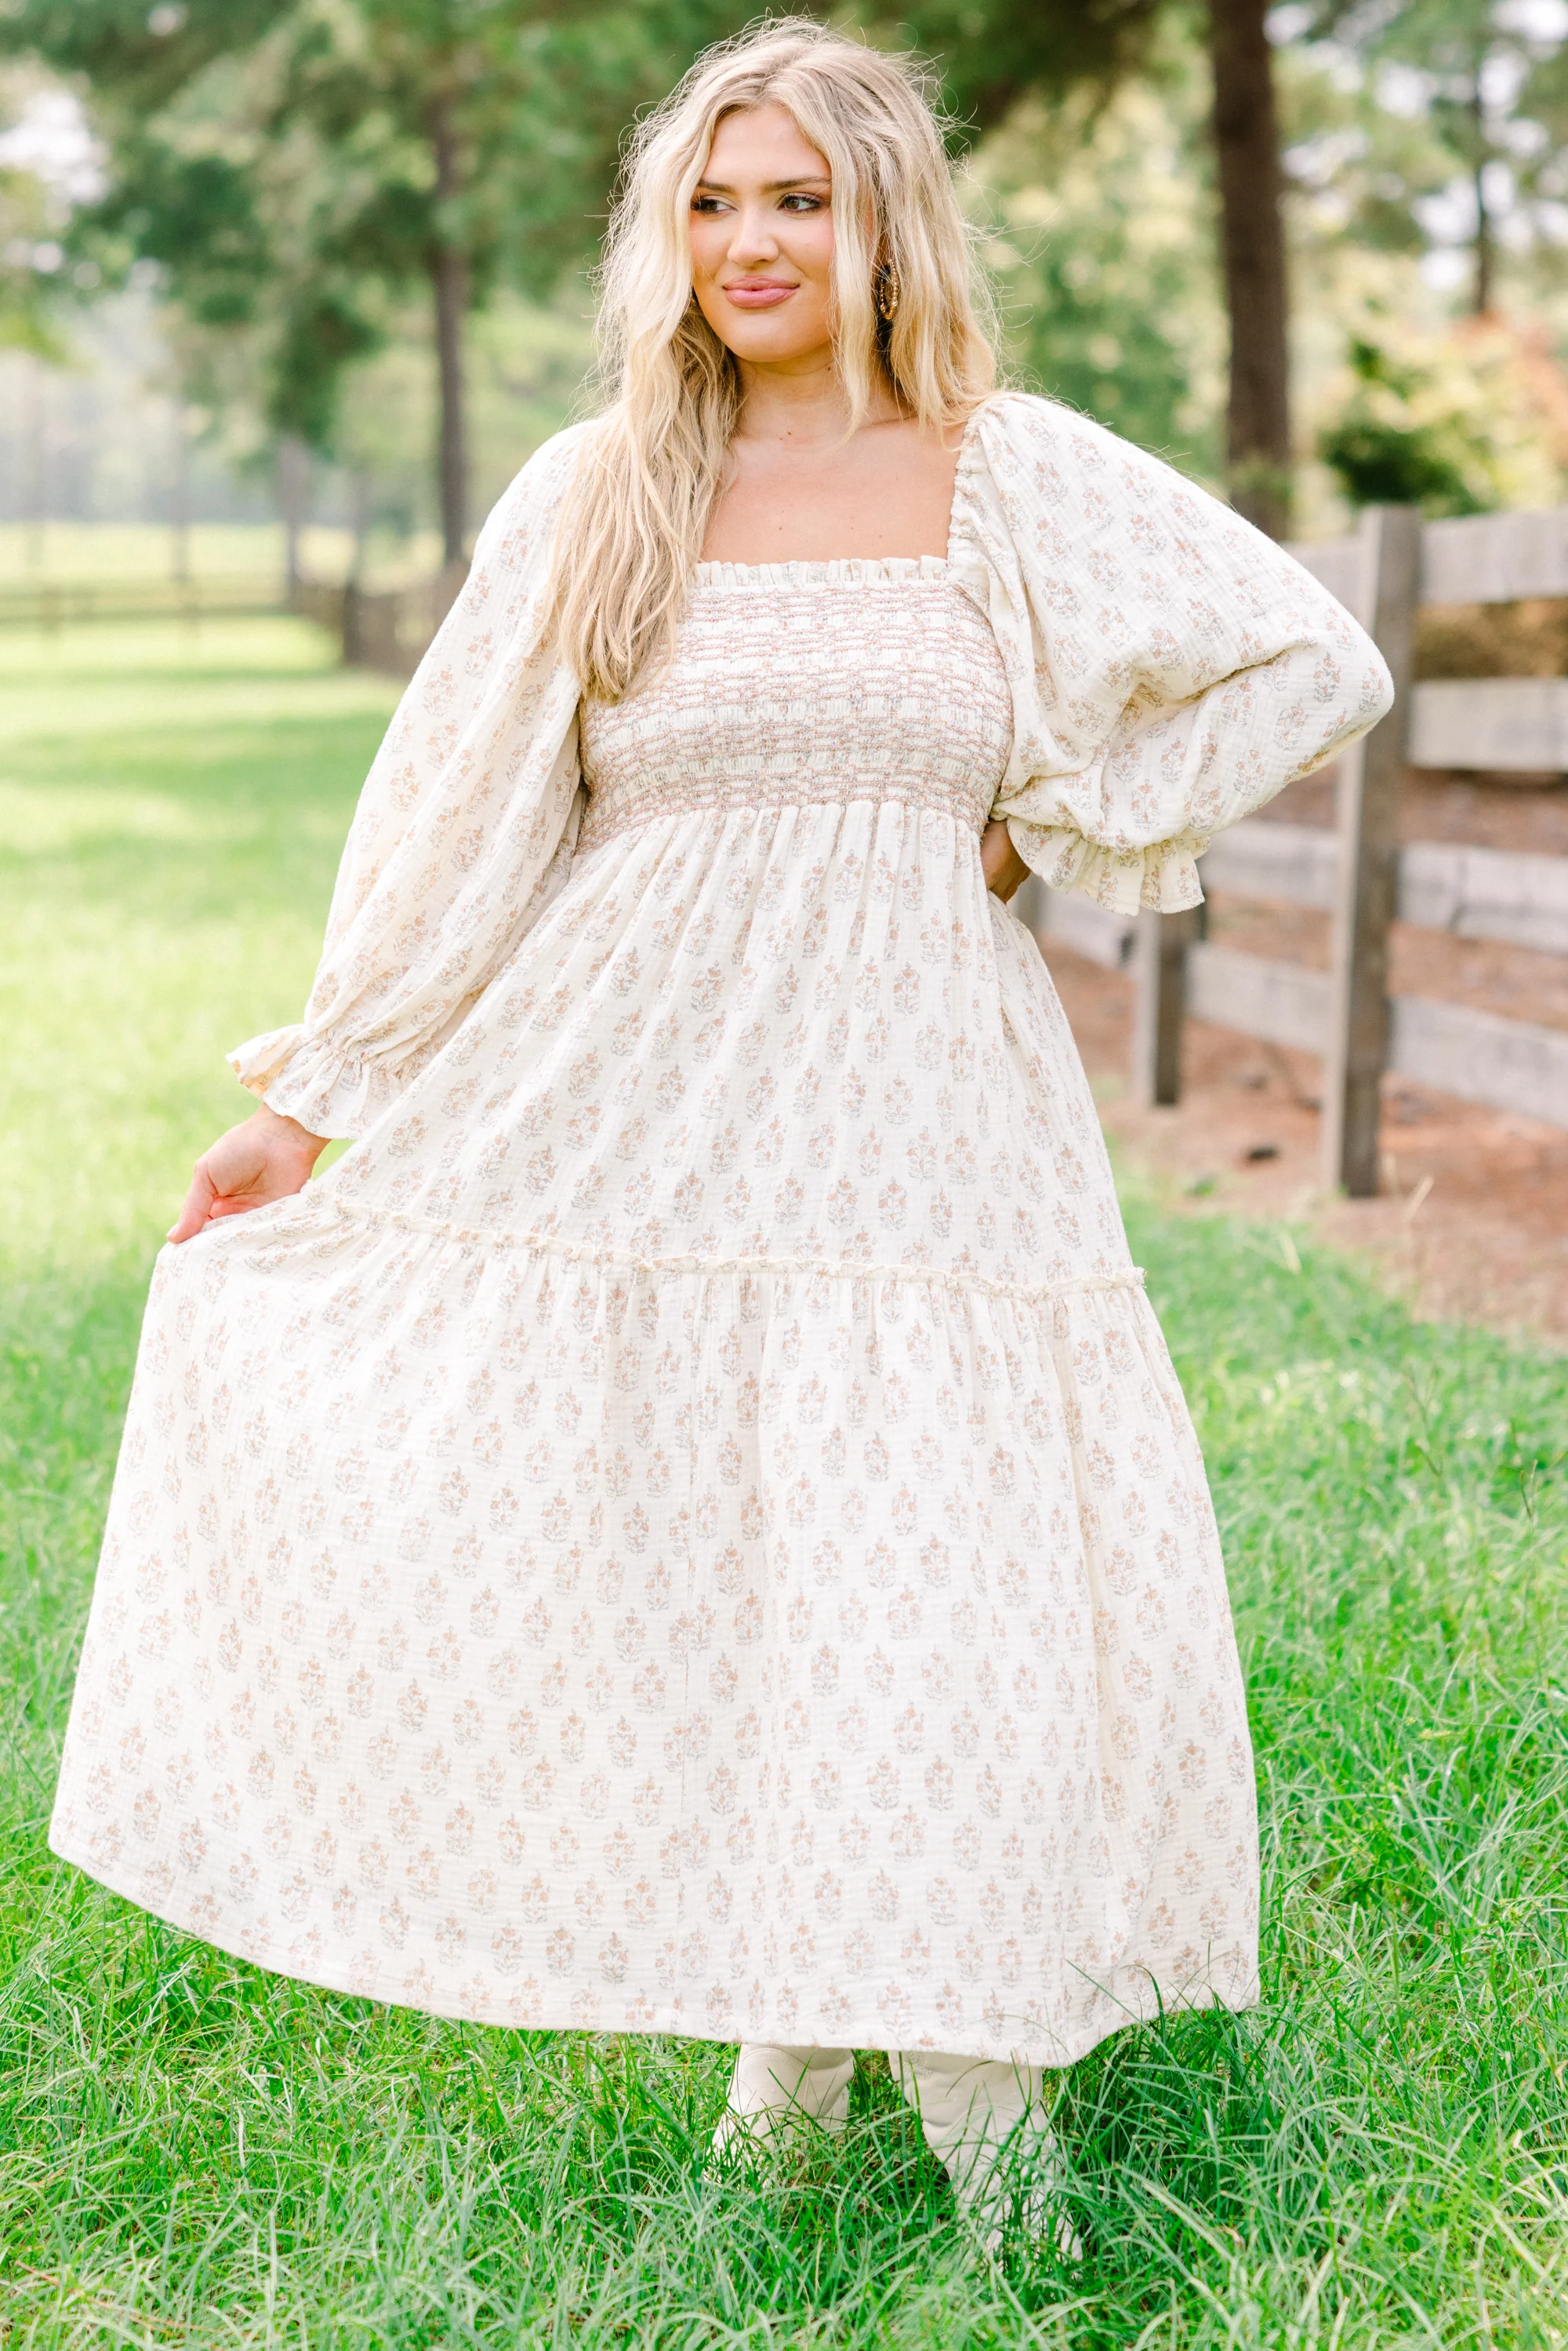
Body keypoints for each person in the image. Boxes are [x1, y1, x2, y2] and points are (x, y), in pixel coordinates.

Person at [51, 18, 1392, 2247]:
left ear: (886, 221)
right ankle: (791, 2104)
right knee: (745, 1588)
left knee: (934, 1601)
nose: (750, 241)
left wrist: (1054, 810)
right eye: (711, 200)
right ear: (664, 238)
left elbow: (1309, 657)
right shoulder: (602, 491)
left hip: (922, 1139)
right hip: (638, 1113)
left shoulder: (1011, 470)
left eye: (798, 198)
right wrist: (314, 1102)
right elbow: (462, 822)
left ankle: (1008, 2182)